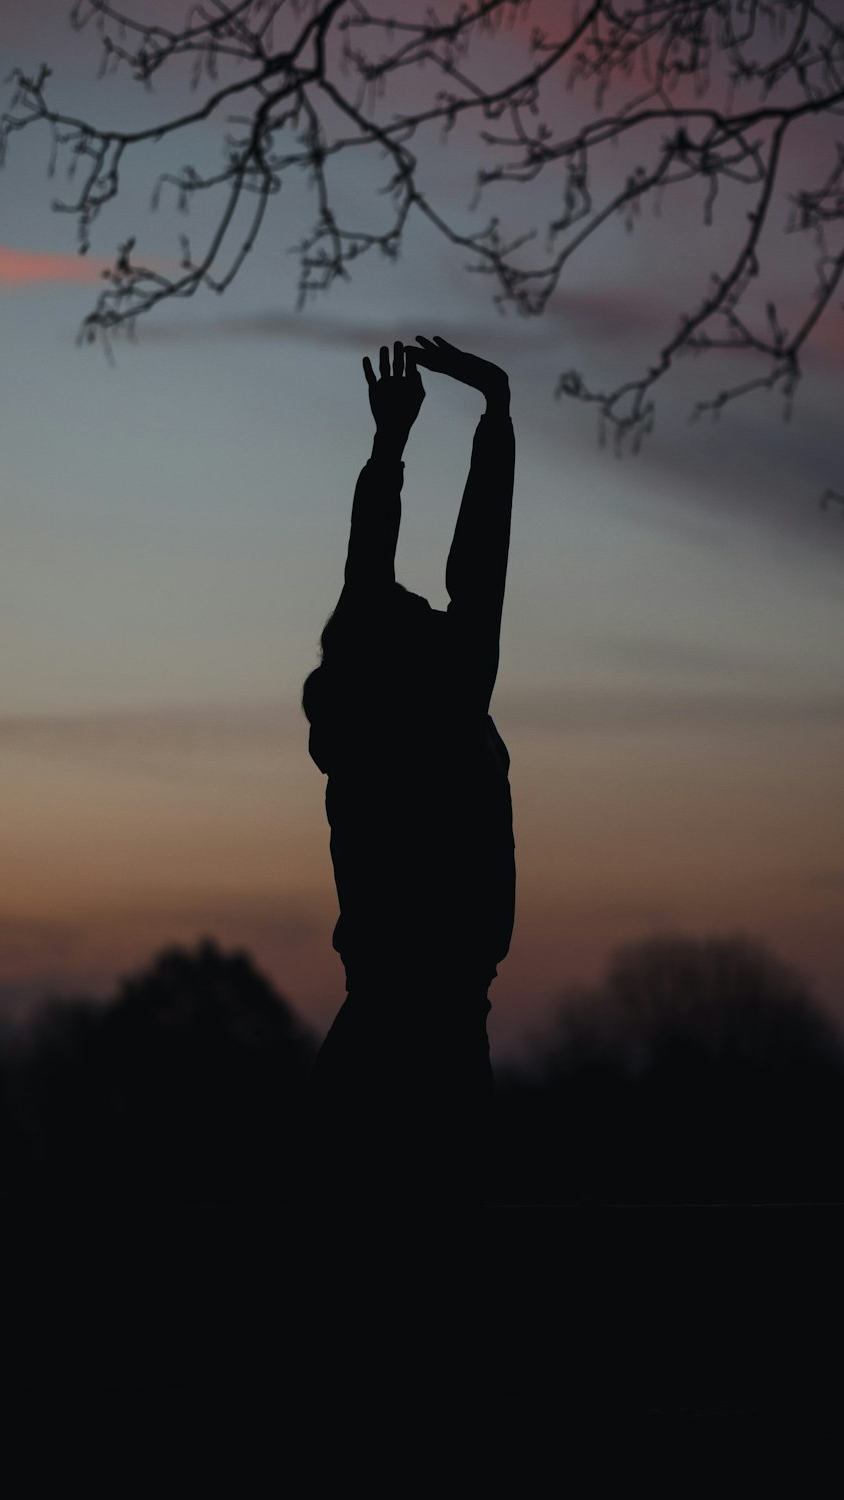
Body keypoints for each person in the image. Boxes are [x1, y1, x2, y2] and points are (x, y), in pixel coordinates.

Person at [302, 336, 516, 1200]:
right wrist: (489, 423)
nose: (424, 603)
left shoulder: (372, 732)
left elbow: (416, 574)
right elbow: (473, 575)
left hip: (414, 1005)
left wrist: (408, 442)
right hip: (431, 1010)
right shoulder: (434, 711)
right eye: (410, 609)